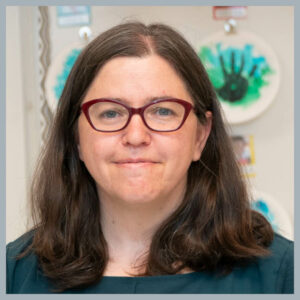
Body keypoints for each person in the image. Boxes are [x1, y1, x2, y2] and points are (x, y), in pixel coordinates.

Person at [6, 21, 293, 294]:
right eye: (110, 113)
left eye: (163, 111)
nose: (135, 135)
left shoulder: (281, 275)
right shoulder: (14, 274)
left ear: (200, 136)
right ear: (76, 138)